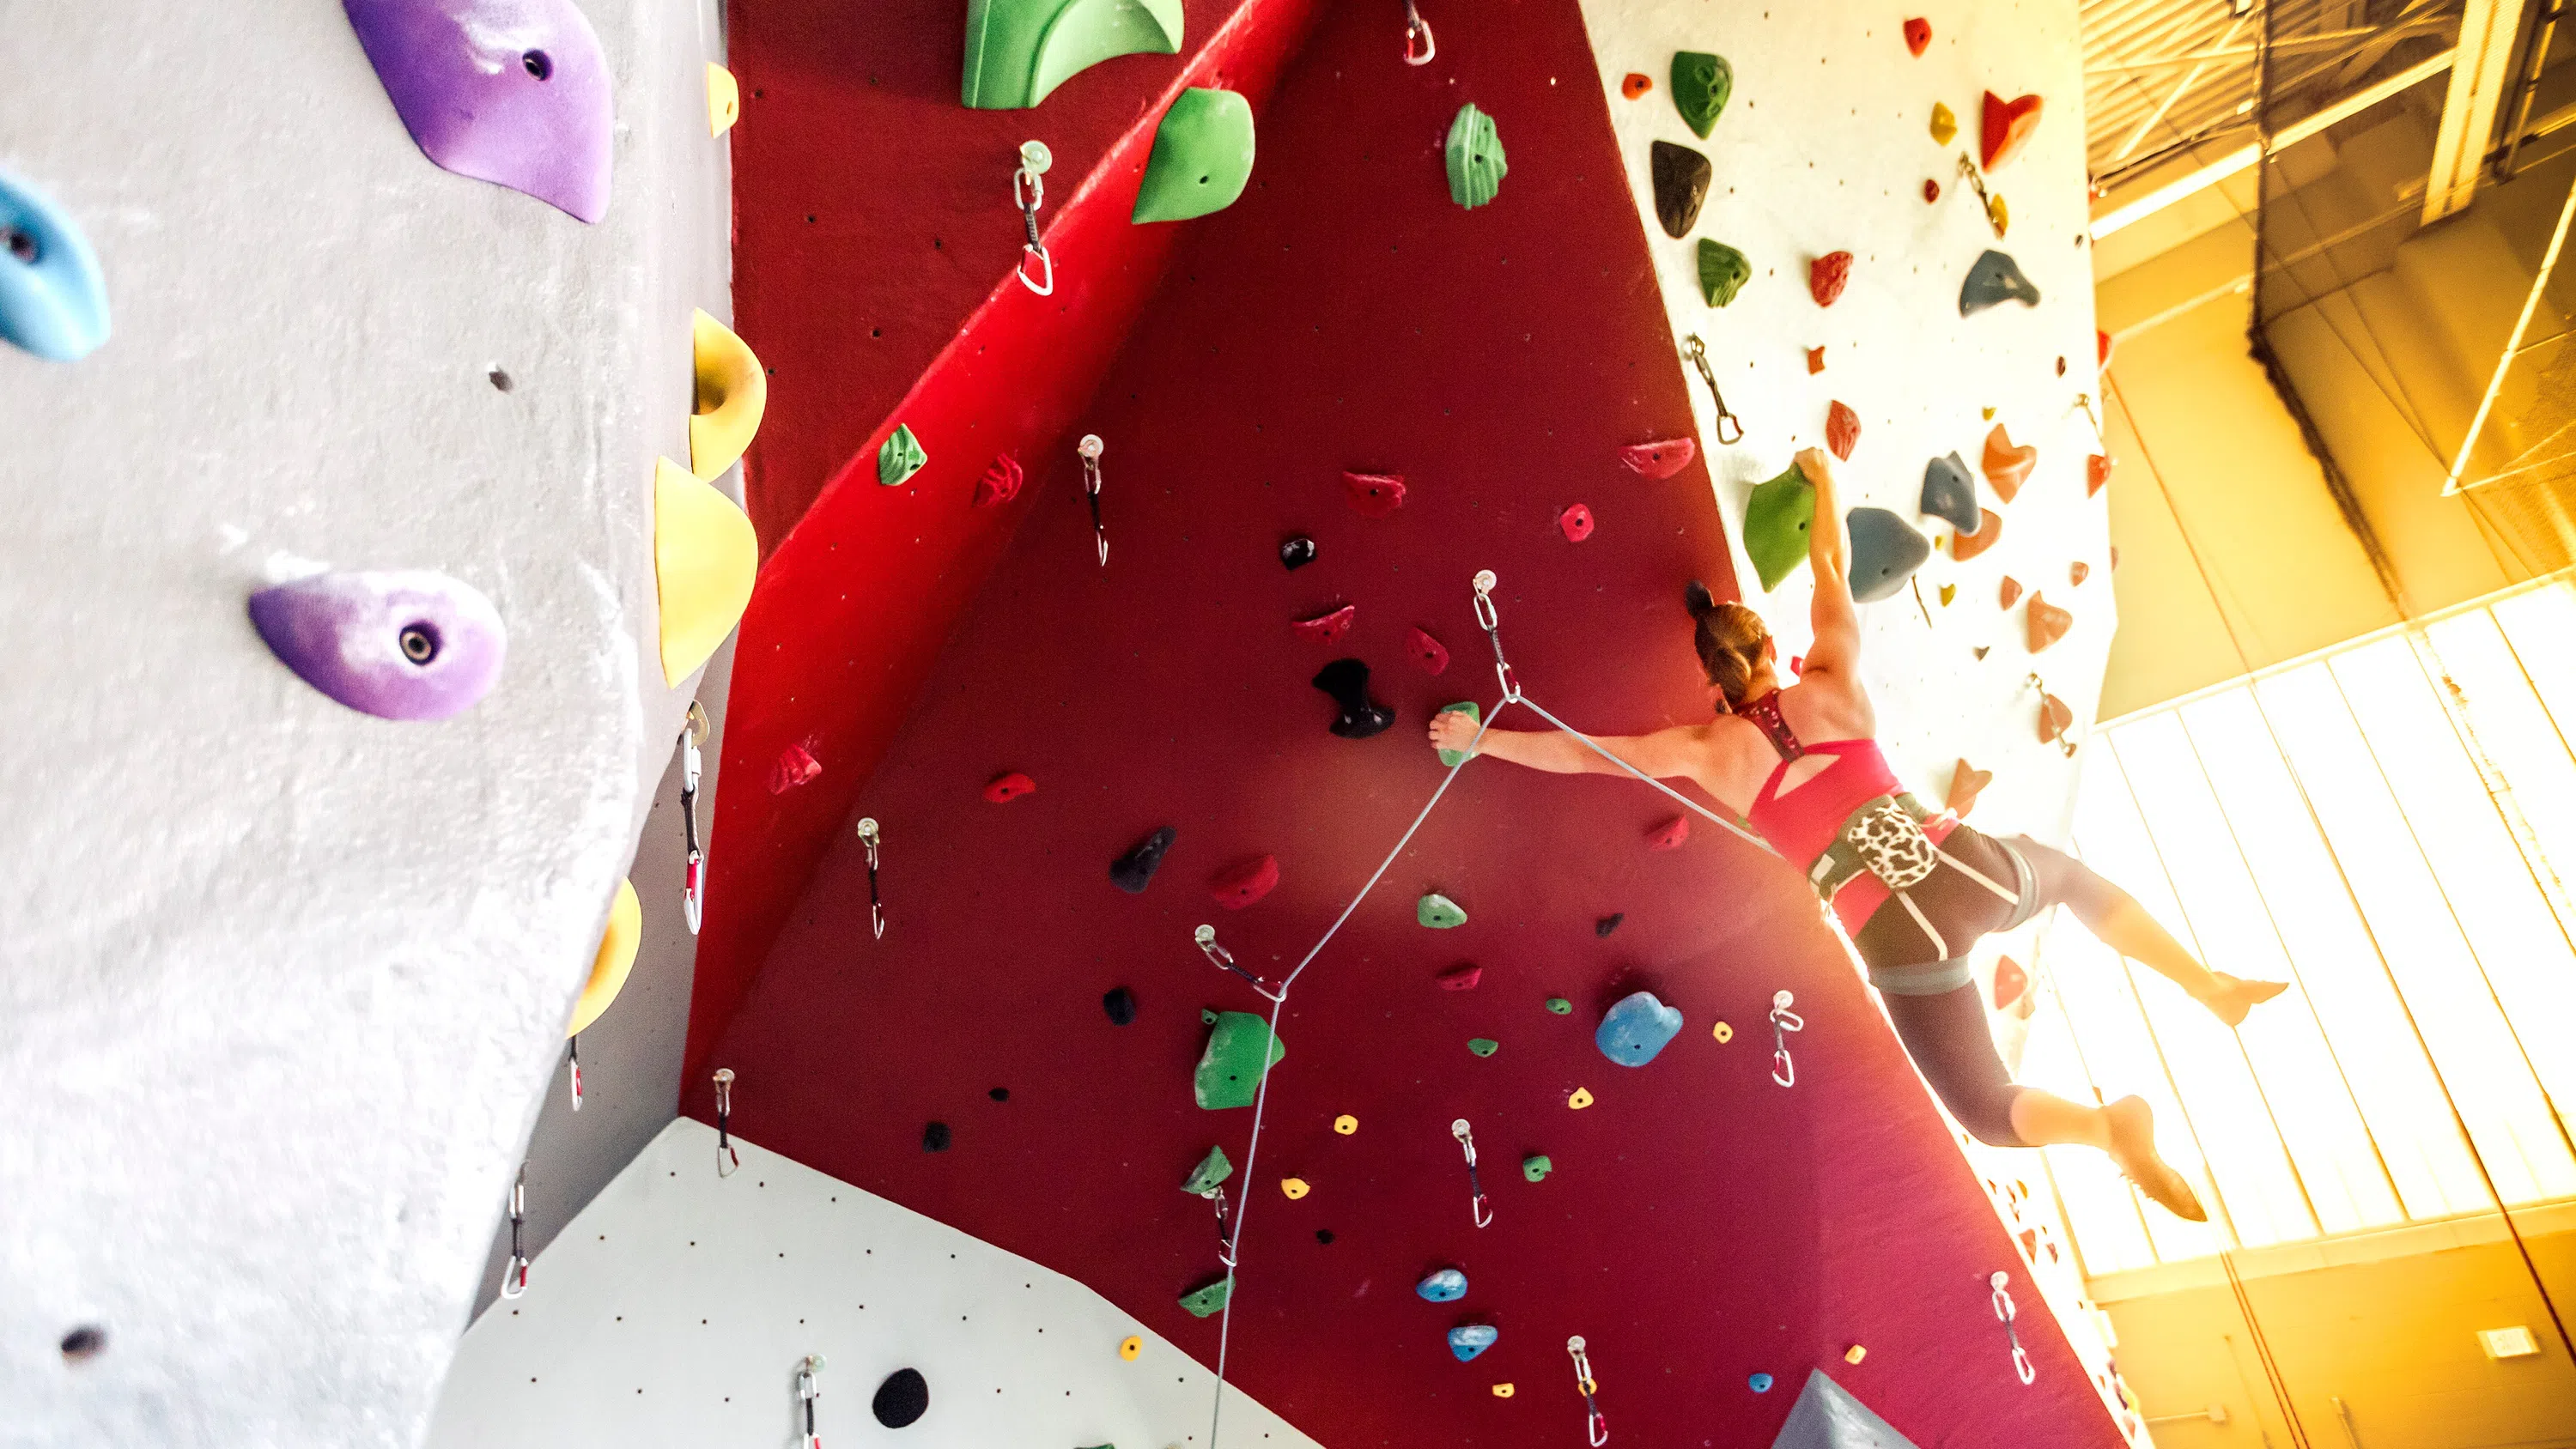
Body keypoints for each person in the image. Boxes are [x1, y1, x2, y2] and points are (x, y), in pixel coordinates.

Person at [1427, 446, 2284, 1221]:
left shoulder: (1706, 750)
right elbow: (1831, 564)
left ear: (1710, 679)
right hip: (1958, 862)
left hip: (1899, 932)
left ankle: (2103, 1129)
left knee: (1989, 1109)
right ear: (1770, 645)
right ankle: (2205, 984)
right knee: (2074, 884)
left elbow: (1584, 756)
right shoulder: (1831, 677)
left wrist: (1481, 740)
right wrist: (1825, 481)